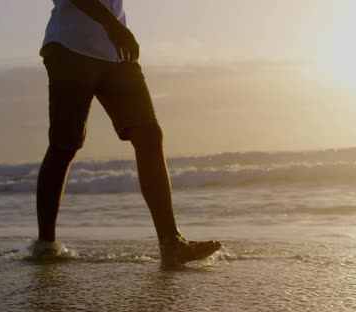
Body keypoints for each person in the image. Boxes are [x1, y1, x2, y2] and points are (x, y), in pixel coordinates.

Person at [32, 0, 221, 266]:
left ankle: (171, 242)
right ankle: (45, 245)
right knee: (65, 144)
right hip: (70, 48)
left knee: (149, 134)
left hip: (117, 55)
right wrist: (113, 25)